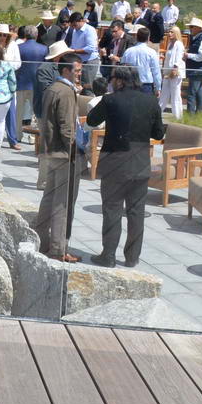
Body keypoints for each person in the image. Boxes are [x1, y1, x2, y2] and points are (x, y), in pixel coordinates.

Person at [87, 65, 165, 267]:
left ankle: (109, 255)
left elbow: (91, 119)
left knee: (112, 209)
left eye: (112, 78)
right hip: (140, 162)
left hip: (115, 160)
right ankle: (132, 257)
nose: (111, 81)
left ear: (119, 81)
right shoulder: (151, 101)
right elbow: (158, 134)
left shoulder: (110, 99)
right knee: (136, 212)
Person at [34, 51, 83, 263]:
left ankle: (42, 241)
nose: (80, 75)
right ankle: (58, 249)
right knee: (61, 203)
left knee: (48, 198)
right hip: (63, 154)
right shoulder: (64, 92)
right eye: (77, 71)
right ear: (66, 70)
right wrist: (73, 151)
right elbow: (66, 127)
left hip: (50, 151)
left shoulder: (53, 88)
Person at [16, 24, 48, 131]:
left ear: (25, 34)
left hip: (20, 84)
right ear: (37, 34)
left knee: (18, 112)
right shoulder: (44, 49)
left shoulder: (18, 48)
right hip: (37, 84)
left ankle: (17, 135)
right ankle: (34, 136)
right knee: (36, 113)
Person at [0, 24, 23, 148]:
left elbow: (18, 63)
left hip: (8, 81)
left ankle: (12, 140)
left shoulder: (13, 45)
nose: (2, 37)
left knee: (11, 111)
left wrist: (7, 67)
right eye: (0, 35)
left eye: (4, 35)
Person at [122, 25, 162, 95]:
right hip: (146, 85)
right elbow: (156, 72)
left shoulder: (128, 51)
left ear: (137, 37)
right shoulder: (152, 52)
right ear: (148, 38)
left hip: (131, 83)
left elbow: (122, 68)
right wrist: (158, 87)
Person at [183, 17, 202, 113]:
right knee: (199, 93)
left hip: (198, 70)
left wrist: (189, 55)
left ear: (198, 28)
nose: (190, 28)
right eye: (190, 27)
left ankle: (190, 116)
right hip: (200, 70)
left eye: (192, 27)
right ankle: (199, 114)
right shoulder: (198, 38)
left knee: (191, 93)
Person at [69, 12, 101, 87]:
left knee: (87, 87)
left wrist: (74, 51)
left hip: (89, 62)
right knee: (78, 86)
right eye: (72, 26)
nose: (74, 27)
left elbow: (91, 48)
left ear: (81, 21)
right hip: (80, 62)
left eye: (75, 25)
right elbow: (74, 45)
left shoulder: (90, 30)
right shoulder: (75, 31)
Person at [161, 25, 186, 116]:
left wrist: (174, 70)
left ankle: (178, 116)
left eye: (172, 32)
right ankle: (157, 114)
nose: (169, 33)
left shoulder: (179, 44)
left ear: (176, 33)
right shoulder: (169, 44)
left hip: (175, 72)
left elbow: (178, 58)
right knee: (164, 94)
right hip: (167, 70)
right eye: (169, 32)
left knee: (175, 95)